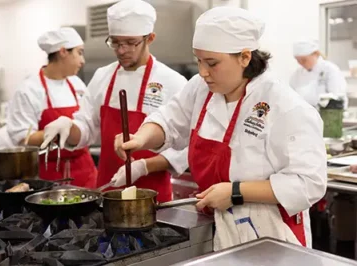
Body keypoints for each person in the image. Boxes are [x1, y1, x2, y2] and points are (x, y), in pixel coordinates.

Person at [114, 7, 327, 250]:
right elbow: (170, 120)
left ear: (245, 57)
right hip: (217, 223)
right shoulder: (201, 88)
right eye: (199, 61)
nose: (203, 72)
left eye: (212, 63)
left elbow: (309, 183)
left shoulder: (285, 106)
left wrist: (236, 192)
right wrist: (141, 138)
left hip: (272, 233)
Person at [40, 0, 189, 202]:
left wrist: (143, 166)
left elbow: (185, 147)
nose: (121, 50)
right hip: (107, 192)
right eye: (115, 42)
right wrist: (68, 126)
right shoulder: (103, 76)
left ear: (150, 38)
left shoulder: (172, 82)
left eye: (130, 42)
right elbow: (86, 128)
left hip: (154, 198)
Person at [7, 27, 97, 188]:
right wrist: (56, 132)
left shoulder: (77, 84)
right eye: (79, 52)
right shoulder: (29, 89)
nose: (82, 61)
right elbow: (22, 138)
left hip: (85, 172)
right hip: (49, 174)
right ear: (63, 52)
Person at [290, 39, 347, 108]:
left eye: (303, 60)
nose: (300, 63)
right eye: (297, 60)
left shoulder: (330, 70)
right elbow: (291, 96)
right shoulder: (297, 74)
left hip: (327, 114)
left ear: (316, 54)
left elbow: (337, 96)